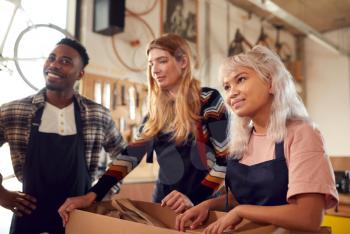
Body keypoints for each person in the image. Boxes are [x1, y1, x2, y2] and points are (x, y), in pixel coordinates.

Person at [58, 33, 229, 225]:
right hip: (163, 206)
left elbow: (225, 160)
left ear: (183, 62)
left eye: (162, 61)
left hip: (202, 208)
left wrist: (195, 198)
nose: (155, 70)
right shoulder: (155, 114)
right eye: (151, 64)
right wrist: (93, 194)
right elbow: (128, 157)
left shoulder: (208, 101)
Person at [175, 45, 338, 233]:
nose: (231, 93)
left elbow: (308, 217)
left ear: (270, 83)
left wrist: (242, 211)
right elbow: (247, 198)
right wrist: (208, 206)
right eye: (227, 87)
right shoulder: (242, 141)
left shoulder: (301, 133)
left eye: (241, 79)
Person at [0, 38, 126, 234]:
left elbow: (124, 156)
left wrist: (99, 193)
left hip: (80, 217)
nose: (54, 65)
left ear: (80, 74)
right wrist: (1, 194)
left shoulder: (97, 114)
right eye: (51, 58)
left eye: (65, 61)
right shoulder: (14, 111)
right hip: (28, 217)